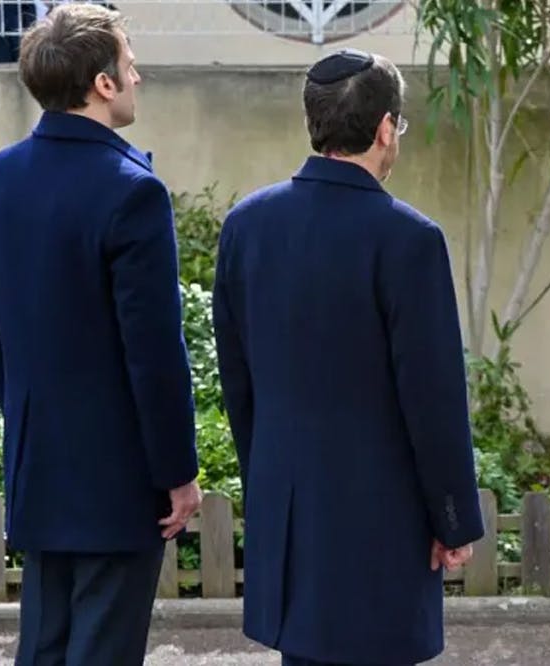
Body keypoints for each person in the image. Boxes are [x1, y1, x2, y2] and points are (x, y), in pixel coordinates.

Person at [212, 49, 484, 666]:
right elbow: (433, 395)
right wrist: (452, 517)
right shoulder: (409, 238)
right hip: (381, 516)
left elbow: (239, 380)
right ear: (385, 128)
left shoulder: (247, 225)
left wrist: (267, 479)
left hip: (288, 502)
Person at [0, 4, 201, 664]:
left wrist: (24, 425)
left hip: (37, 463)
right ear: (102, 84)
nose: (137, 78)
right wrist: (178, 472)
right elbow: (153, 350)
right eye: (129, 66)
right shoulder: (132, 191)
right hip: (117, 474)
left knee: (44, 648)